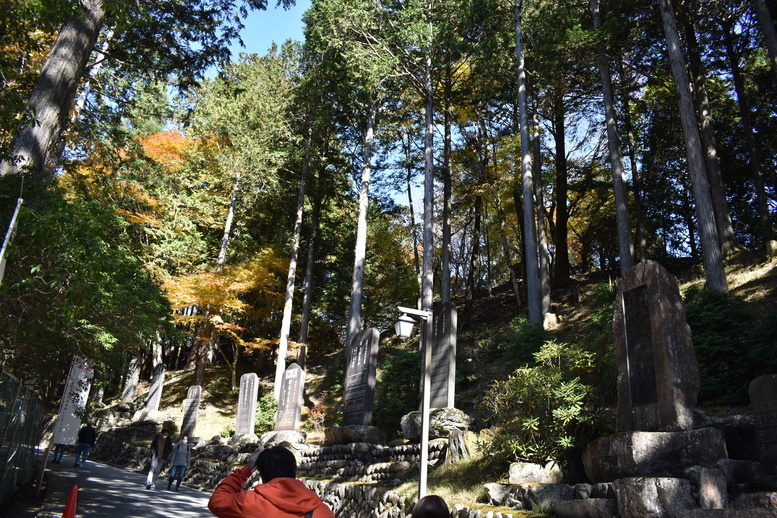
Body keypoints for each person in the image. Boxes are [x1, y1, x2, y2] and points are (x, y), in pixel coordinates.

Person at [208, 445, 335, 518]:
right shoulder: (321, 510)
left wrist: (246, 470)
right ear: (294, 470)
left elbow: (217, 501)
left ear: (262, 474)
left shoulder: (249, 502)